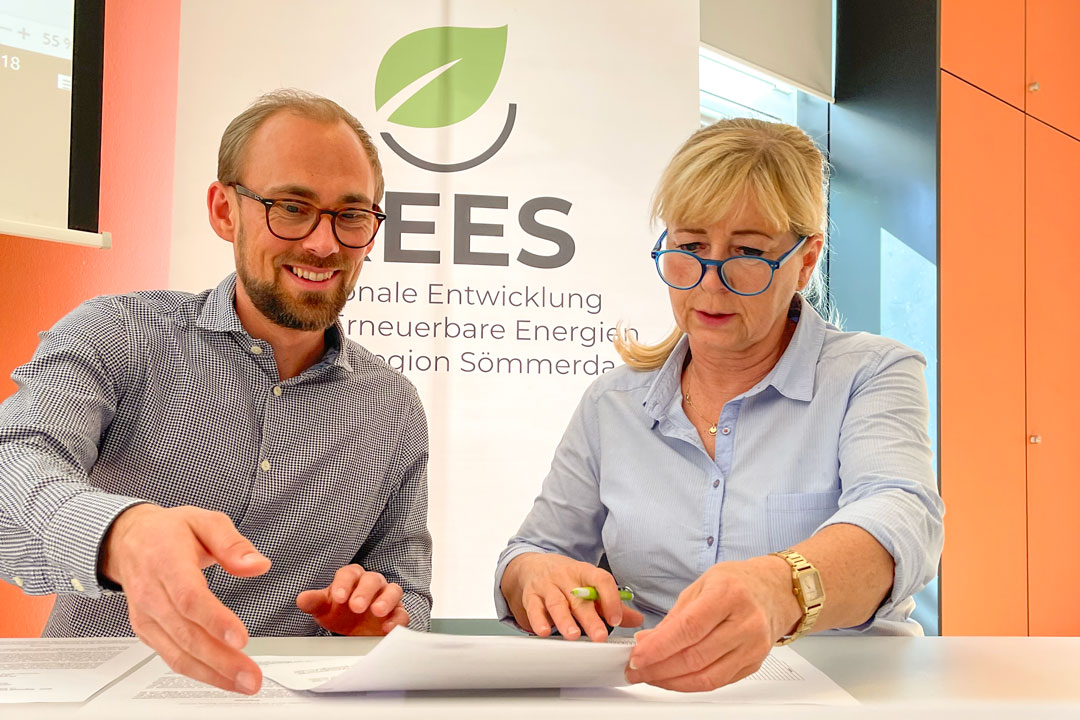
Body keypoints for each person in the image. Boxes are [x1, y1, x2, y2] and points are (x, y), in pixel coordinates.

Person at [0, 89, 432, 695]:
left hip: (287, 704)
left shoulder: (393, 408)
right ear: (225, 210)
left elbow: (406, 588)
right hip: (101, 701)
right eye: (291, 208)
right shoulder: (119, 334)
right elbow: (15, 460)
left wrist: (378, 624)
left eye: (351, 215)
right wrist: (121, 534)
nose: (324, 244)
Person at [495, 118, 944, 692]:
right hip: (655, 697)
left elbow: (901, 517)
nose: (710, 282)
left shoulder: (871, 373)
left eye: (747, 252)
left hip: (836, 695)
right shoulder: (614, 402)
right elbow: (532, 552)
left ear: (806, 260)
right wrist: (534, 575)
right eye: (689, 247)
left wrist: (782, 588)